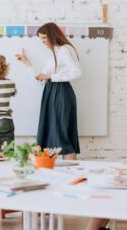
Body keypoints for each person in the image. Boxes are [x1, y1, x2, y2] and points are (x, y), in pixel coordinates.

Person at [16, 22, 82, 160]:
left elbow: (76, 72)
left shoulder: (65, 49)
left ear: (53, 35)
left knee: (62, 136)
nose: (43, 42)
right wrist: (26, 62)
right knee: (53, 135)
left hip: (61, 93)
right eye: (41, 39)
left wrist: (51, 76)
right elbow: (41, 77)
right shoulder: (55, 52)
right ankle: (61, 173)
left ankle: (71, 174)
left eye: (44, 38)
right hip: (51, 92)